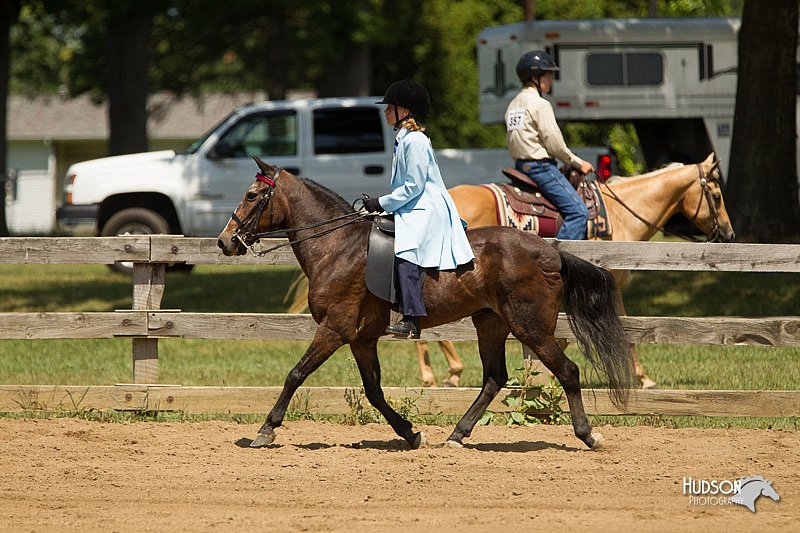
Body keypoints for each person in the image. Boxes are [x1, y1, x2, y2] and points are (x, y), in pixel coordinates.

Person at [362, 79, 474, 339]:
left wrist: (382, 202)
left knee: (405, 250)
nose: (385, 111)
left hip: (426, 206)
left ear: (405, 111)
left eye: (390, 107)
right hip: (414, 203)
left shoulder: (415, 141)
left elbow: (414, 186)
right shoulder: (403, 139)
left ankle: (411, 318)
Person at [506, 50, 595, 240]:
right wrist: (579, 163)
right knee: (578, 212)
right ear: (535, 78)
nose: (551, 80)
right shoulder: (540, 104)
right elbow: (555, 145)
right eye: (548, 75)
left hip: (520, 167)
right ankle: (563, 264)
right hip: (541, 168)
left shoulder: (513, 105)